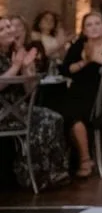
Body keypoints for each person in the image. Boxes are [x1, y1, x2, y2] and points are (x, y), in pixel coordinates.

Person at [0, 16, 70, 190]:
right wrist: (16, 67)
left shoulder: (14, 53)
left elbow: (30, 90)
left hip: (19, 108)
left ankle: (52, 172)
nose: (9, 30)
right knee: (43, 122)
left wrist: (26, 68)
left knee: (55, 118)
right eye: (2, 29)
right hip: (3, 111)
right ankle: (30, 175)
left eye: (9, 26)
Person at [60, 12, 102, 178]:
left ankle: (84, 160)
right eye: (89, 25)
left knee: (75, 112)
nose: (94, 27)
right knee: (61, 109)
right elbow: (66, 69)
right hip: (77, 91)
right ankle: (70, 161)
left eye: (97, 23)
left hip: (101, 96)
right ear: (84, 30)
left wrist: (96, 57)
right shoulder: (79, 45)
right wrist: (85, 61)